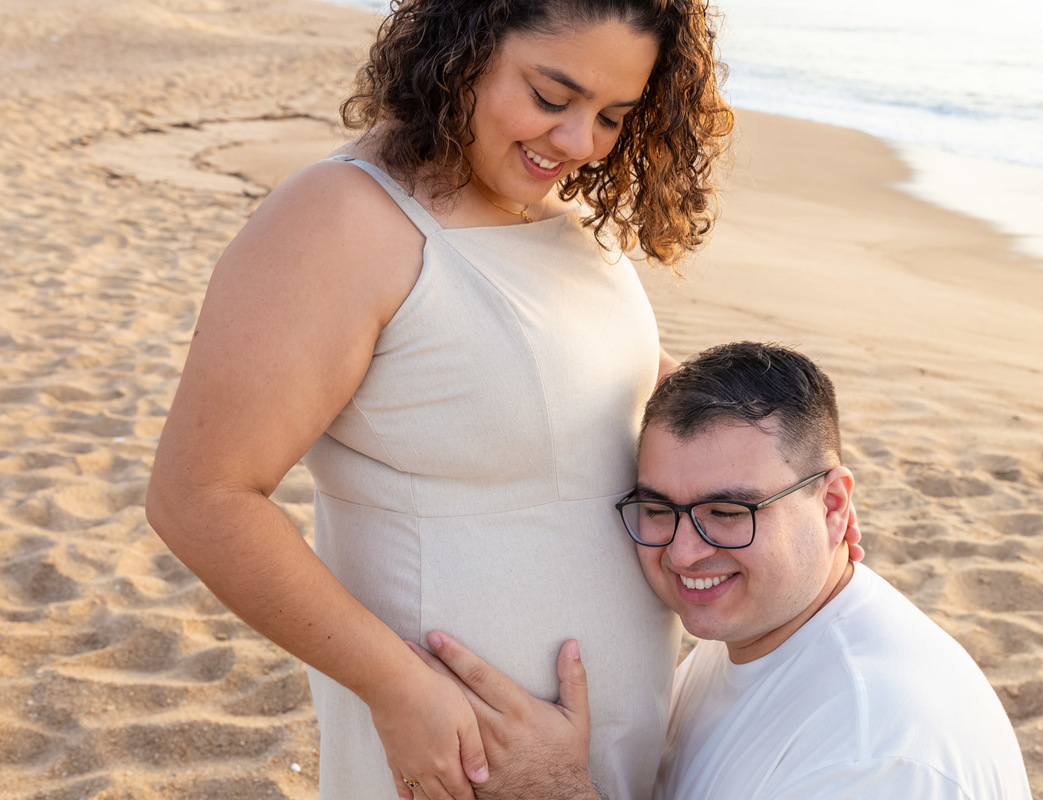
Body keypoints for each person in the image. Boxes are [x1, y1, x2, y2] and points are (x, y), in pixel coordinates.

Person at [145, 2, 739, 799]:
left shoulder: (557, 210)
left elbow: (597, 388)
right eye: (550, 97)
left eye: (612, 116)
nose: (577, 142)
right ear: (464, 48)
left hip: (605, 745)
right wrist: (401, 690)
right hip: (456, 747)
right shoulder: (341, 221)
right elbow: (198, 497)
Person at [413, 342, 1032, 800]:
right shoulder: (765, 622)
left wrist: (555, 791)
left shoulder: (877, 752)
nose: (684, 553)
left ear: (834, 505)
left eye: (729, 512)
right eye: (658, 509)